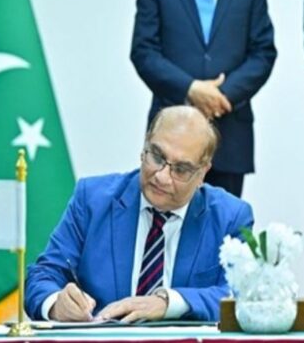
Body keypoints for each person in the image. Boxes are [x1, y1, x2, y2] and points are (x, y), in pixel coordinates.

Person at [24, 105, 254, 322]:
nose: (162, 177)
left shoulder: (230, 217)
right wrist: (56, 304)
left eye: (181, 169)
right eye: (157, 156)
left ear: (203, 172)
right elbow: (43, 275)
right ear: (144, 147)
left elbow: (244, 295)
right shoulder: (92, 200)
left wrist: (169, 303)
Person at [130, 0, 276, 198]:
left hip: (230, 133)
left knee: (225, 226)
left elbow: (263, 53)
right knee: (165, 224)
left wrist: (221, 96)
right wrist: (191, 89)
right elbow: (143, 51)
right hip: (170, 137)